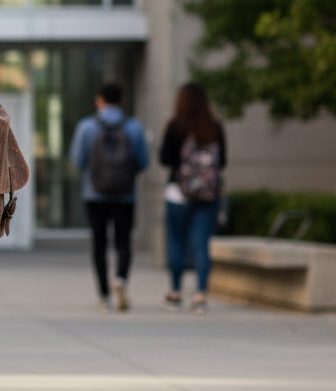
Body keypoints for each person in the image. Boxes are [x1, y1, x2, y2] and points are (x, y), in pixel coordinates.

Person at [70, 82, 149, 311]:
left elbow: (78, 160)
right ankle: (121, 279)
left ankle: (104, 296)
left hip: (94, 194)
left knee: (100, 243)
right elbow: (143, 162)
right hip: (125, 195)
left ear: (99, 100)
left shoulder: (87, 126)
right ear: (121, 101)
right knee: (124, 241)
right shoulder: (134, 127)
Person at [159, 81, 227, 314]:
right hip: (208, 196)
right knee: (201, 245)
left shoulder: (175, 126)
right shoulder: (214, 127)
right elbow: (223, 163)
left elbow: (164, 158)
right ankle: (199, 295)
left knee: (176, 242)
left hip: (178, 193)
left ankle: (176, 293)